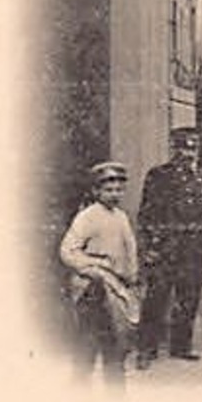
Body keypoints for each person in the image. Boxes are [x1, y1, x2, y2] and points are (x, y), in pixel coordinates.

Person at [58, 161, 140, 387]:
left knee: (116, 350)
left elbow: (129, 248)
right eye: (108, 190)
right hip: (92, 291)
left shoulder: (121, 216)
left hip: (116, 289)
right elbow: (67, 251)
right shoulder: (88, 216)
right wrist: (94, 267)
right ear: (96, 191)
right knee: (87, 348)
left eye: (118, 190)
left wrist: (131, 274)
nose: (114, 194)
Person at [137, 126, 202, 366]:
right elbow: (147, 214)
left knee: (189, 299)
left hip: (193, 251)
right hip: (165, 249)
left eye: (193, 149)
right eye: (183, 148)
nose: (189, 154)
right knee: (156, 300)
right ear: (173, 148)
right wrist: (150, 246)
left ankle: (181, 346)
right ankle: (147, 349)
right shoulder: (158, 175)